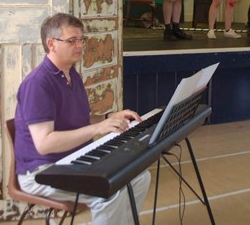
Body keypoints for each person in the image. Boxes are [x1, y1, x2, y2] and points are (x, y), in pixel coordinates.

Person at [14, 13, 151, 224]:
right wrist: (99, 129)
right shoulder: (38, 83)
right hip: (42, 170)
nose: (79, 46)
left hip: (75, 158)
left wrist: (108, 118)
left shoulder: (71, 74)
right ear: (52, 44)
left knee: (140, 177)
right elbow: (44, 144)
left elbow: (80, 120)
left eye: (81, 40)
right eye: (72, 41)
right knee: (110, 192)